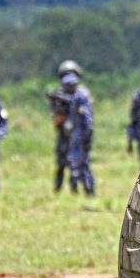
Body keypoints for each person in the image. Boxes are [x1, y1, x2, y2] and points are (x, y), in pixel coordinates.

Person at [47, 60, 90, 192]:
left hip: (79, 134)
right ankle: (58, 188)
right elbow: (56, 111)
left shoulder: (82, 94)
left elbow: (86, 115)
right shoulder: (59, 94)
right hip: (64, 133)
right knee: (61, 162)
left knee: (81, 163)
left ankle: (85, 189)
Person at [62, 72, 95, 195]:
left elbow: (87, 120)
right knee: (77, 163)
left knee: (82, 163)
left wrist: (87, 139)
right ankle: (80, 190)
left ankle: (88, 190)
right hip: (77, 137)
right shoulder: (75, 97)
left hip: (81, 139)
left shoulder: (81, 97)